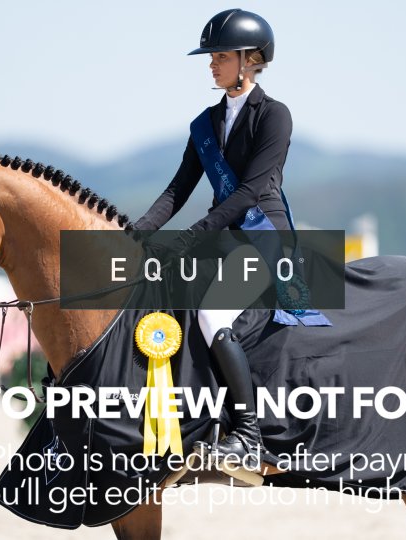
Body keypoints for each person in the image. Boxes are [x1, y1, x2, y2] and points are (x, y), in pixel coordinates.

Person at [133, 9, 293, 464]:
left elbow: (249, 192)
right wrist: (134, 233)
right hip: (220, 237)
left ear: (250, 60)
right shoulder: (205, 123)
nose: (211, 64)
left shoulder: (274, 116)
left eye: (221, 56)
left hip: (262, 236)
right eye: (212, 57)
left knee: (212, 312)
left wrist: (191, 237)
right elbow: (177, 190)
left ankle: (249, 437)